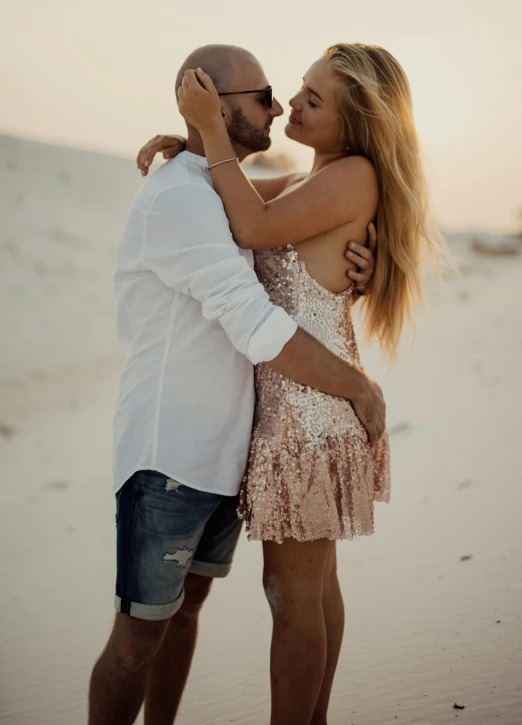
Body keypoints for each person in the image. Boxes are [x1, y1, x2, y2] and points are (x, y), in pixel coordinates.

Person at [140, 42, 438, 725]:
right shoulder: (319, 175)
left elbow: (251, 225)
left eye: (312, 98)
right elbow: (227, 197)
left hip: (309, 413)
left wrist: (212, 130)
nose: (292, 105)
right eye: (297, 89)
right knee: (312, 586)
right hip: (301, 404)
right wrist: (190, 147)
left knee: (292, 593)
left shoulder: (353, 173)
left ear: (354, 120)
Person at [88, 44, 384, 725]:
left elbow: (270, 225)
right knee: (142, 633)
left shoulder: (260, 184)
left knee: (226, 606)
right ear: (217, 107)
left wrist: (201, 142)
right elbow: (253, 282)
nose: (282, 106)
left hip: (256, 439)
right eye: (271, 94)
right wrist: (360, 386)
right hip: (176, 453)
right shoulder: (190, 197)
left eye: (305, 95)